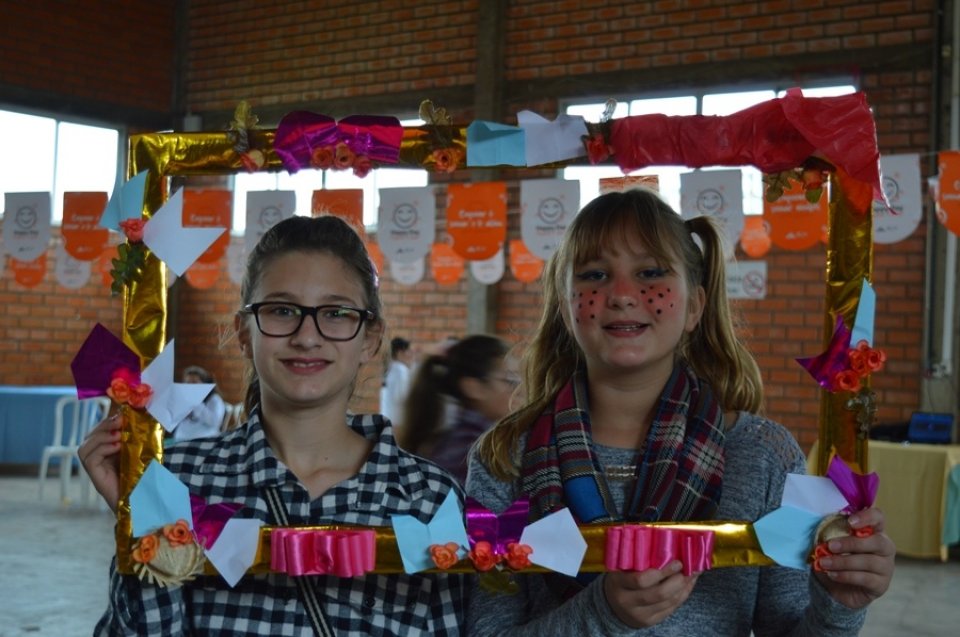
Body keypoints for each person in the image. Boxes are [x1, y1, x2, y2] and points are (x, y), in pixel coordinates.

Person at [467, 188, 895, 636]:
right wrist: (604, 613)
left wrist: (838, 606)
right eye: (595, 274)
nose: (621, 294)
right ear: (564, 306)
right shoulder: (503, 456)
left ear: (695, 305)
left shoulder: (762, 456)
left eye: (650, 272)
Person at [79, 214, 469, 635]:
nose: (307, 335)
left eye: (336, 312)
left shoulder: (429, 498)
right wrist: (141, 525)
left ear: (370, 338)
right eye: (282, 310)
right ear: (244, 333)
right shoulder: (179, 479)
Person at [398, 334, 518, 484]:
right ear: (473, 388)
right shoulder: (477, 453)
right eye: (508, 381)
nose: (517, 390)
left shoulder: (465, 442)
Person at [171, 365, 227, 441]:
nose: (190, 386)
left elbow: (215, 423)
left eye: (194, 382)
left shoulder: (214, 399)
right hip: (182, 438)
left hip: (204, 440)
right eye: (188, 383)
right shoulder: (182, 399)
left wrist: (196, 404)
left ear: (204, 383)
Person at [379, 336, 415, 426]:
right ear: (400, 352)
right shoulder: (401, 370)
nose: (410, 354)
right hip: (397, 423)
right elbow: (404, 399)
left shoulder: (389, 368)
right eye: (408, 351)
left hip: (386, 419)